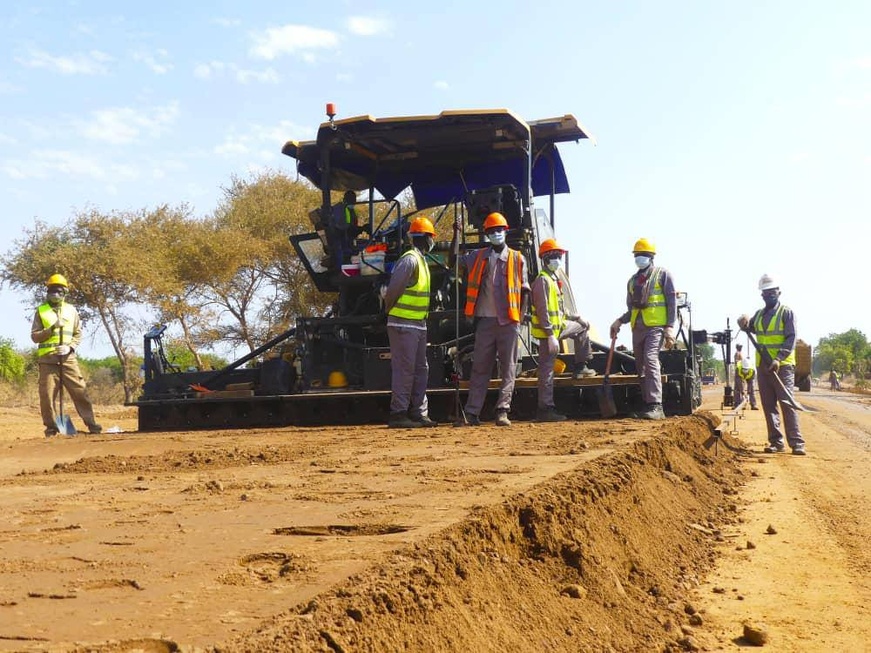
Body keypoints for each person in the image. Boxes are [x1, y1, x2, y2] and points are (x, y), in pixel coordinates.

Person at [451, 211, 529, 427]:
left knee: (508, 368)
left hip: (509, 322)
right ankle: (472, 413)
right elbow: (453, 262)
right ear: (486, 234)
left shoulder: (517, 258)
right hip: (485, 321)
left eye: (499, 230)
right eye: (492, 231)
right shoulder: (477, 256)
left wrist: (520, 319)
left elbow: (525, 291)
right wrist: (456, 235)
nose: (496, 234)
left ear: (506, 231)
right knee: (480, 368)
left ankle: (503, 411)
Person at [609, 238, 677, 420]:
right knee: (641, 366)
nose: (639, 258)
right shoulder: (632, 281)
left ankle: (656, 405)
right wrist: (619, 321)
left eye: (643, 255)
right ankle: (648, 404)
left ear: (651, 256)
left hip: (656, 327)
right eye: (637, 255)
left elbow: (672, 303)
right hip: (637, 328)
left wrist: (670, 327)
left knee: (650, 359)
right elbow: (631, 309)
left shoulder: (663, 275)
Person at [738, 274, 805, 455]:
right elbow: (749, 327)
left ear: (779, 292)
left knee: (787, 403)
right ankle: (776, 441)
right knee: (769, 405)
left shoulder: (786, 313)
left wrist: (778, 359)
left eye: (772, 292)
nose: (769, 295)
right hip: (763, 366)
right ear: (762, 295)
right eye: (766, 292)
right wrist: (743, 321)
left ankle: (797, 443)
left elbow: (791, 338)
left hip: (782, 366)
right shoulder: (759, 315)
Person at [531, 238, 596, 422]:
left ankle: (581, 367)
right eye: (554, 256)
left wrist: (576, 318)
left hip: (558, 328)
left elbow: (560, 309)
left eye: (559, 256)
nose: (557, 260)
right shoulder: (542, 281)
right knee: (547, 369)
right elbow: (543, 311)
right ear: (545, 259)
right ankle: (545, 409)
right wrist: (550, 335)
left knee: (582, 328)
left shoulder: (553, 279)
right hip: (548, 333)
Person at [30, 274, 102, 437]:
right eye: (51, 290)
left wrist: (70, 347)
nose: (55, 294)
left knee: (80, 392)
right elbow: (34, 337)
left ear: (64, 292)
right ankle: (52, 428)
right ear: (47, 292)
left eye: (58, 290)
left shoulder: (71, 311)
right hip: (48, 361)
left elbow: (77, 334)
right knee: (47, 396)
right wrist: (51, 328)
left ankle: (92, 425)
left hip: (68, 359)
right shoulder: (41, 311)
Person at [384, 217, 438, 429]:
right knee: (405, 369)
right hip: (403, 324)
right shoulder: (410, 260)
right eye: (431, 237)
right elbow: (394, 290)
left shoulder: (420, 260)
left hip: (417, 324)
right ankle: (399, 413)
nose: (432, 241)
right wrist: (387, 311)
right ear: (425, 237)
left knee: (420, 369)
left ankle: (418, 412)